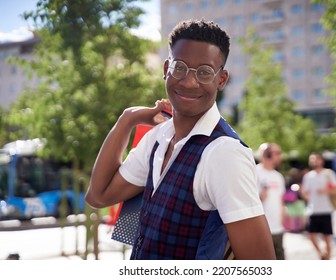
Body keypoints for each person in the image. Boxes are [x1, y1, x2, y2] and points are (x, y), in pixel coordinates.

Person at [85, 19, 275, 260]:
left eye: (205, 72)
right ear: (166, 69)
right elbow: (98, 196)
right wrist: (128, 119)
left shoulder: (223, 153)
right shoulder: (158, 138)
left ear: (222, 79)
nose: (188, 81)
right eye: (180, 67)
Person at [301, 152, 336, 260]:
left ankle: (328, 257)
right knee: (311, 235)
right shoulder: (308, 176)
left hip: (326, 209)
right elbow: (305, 193)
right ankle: (321, 254)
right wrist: (306, 195)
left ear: (321, 161)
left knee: (326, 236)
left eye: (316, 159)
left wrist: (326, 190)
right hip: (313, 210)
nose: (314, 161)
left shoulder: (328, 174)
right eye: (312, 159)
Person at [255, 143, 286, 260]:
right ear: (267, 155)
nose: (280, 156)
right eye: (277, 153)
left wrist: (283, 220)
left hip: (277, 228)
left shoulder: (278, 176)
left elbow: (281, 201)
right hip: (261, 229)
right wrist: (259, 196)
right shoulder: (254, 172)